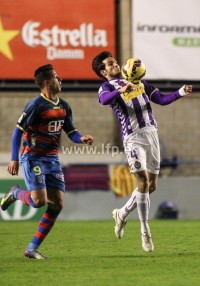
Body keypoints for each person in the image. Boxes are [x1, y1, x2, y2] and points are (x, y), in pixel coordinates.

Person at [92, 51, 192, 252]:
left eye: (115, 61)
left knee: (151, 186)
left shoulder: (140, 82)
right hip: (132, 137)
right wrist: (122, 90)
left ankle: (121, 213)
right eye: (110, 64)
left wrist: (180, 92)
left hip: (151, 134)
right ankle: (145, 231)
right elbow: (103, 101)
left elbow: (161, 100)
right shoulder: (107, 87)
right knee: (143, 182)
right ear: (103, 71)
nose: (116, 65)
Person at [0, 64, 94, 259]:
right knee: (38, 201)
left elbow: (71, 132)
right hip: (33, 157)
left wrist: (81, 138)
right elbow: (18, 131)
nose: (61, 80)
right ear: (47, 82)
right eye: (57, 77)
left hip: (52, 159)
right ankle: (15, 193)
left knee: (57, 205)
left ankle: (32, 248)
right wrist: (14, 159)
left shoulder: (64, 106)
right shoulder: (36, 105)